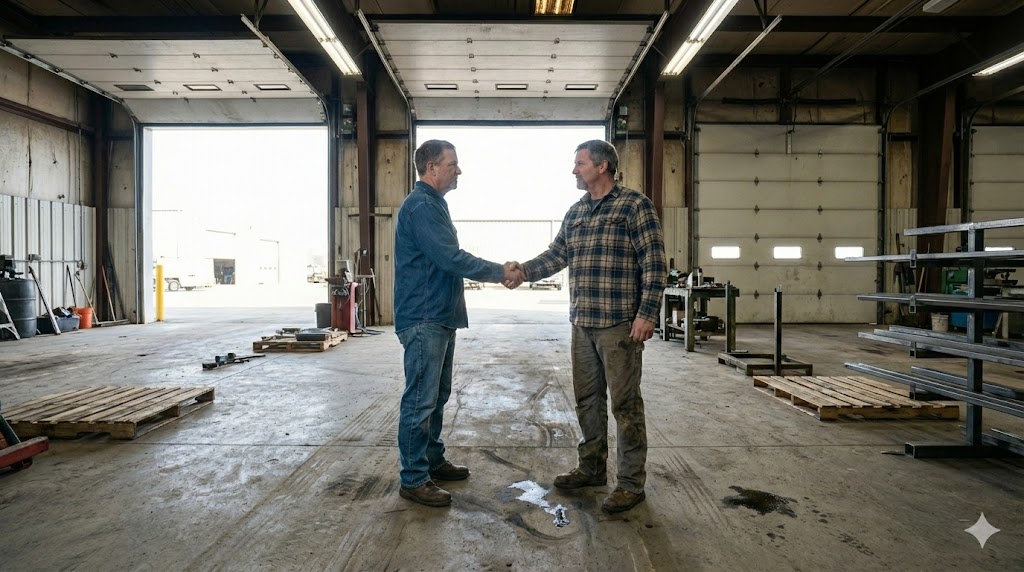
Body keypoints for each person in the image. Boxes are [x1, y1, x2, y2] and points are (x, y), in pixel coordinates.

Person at [515, 139, 667, 513]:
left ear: (602, 166)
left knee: (626, 404)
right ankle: (593, 467)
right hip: (582, 322)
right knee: (587, 400)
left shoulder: (633, 205)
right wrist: (521, 272)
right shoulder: (576, 211)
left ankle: (631, 484)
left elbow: (654, 262)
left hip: (619, 324)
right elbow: (556, 255)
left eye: (580, 163)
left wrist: (647, 314)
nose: (574, 170)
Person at [394, 139, 524, 507]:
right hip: (424, 316)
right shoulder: (421, 206)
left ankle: (431, 460)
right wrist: (500, 272)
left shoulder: (434, 204)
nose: (458, 170)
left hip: (439, 315)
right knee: (420, 400)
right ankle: (414, 478)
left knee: (436, 396)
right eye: (452, 164)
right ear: (431, 168)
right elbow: (451, 258)